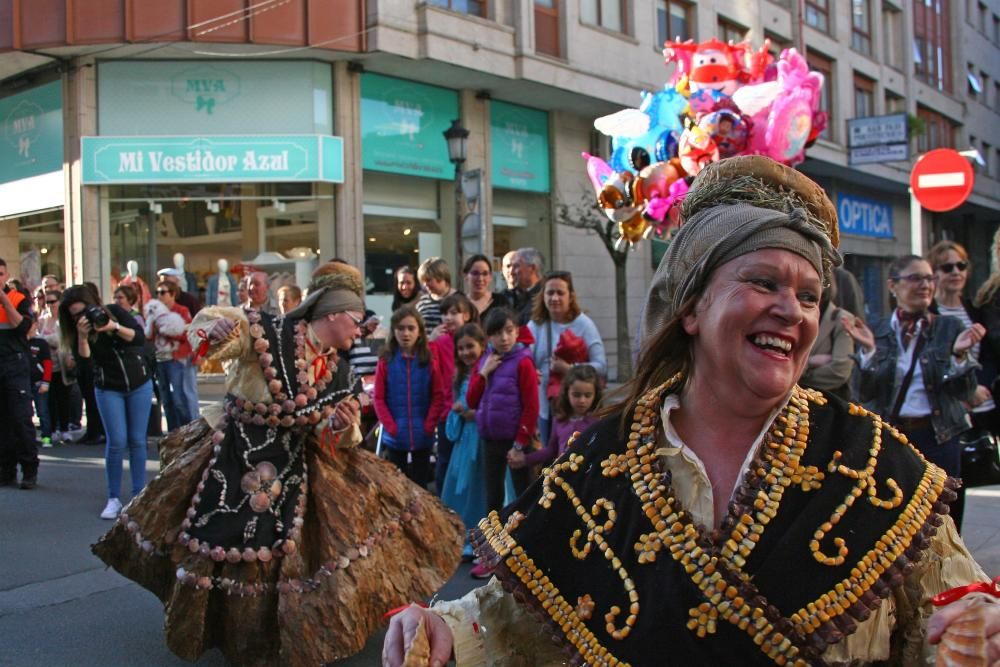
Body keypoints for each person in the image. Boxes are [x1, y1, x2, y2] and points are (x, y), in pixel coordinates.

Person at [383, 156, 1000, 666]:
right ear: (692, 308)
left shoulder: (872, 463)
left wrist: (975, 631)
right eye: (764, 283)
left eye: (810, 296)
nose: (793, 311)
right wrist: (439, 632)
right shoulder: (604, 461)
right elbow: (511, 623)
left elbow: (946, 613)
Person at [93, 261, 463, 666]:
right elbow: (218, 323)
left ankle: (279, 635)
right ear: (334, 313)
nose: (360, 331)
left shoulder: (341, 372)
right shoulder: (268, 332)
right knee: (227, 544)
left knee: (296, 554)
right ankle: (233, 635)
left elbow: (345, 438)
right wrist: (212, 329)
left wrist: (343, 424)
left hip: (300, 463)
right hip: (235, 456)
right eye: (357, 321)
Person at [844, 254, 982, 531]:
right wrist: (869, 352)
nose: (925, 285)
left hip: (939, 436)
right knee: (894, 520)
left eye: (930, 278)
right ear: (893, 285)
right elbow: (862, 391)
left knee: (943, 521)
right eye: (916, 278)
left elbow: (965, 392)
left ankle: (944, 574)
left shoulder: (948, 327)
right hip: (894, 436)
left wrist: (959, 356)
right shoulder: (877, 328)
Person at [60, 285, 152, 518]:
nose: (82, 318)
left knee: (137, 441)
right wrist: (83, 336)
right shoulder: (76, 331)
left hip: (138, 383)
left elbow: (138, 338)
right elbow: (85, 365)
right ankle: (113, 498)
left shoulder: (113, 312)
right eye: (75, 314)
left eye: (84, 311)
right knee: (117, 440)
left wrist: (113, 326)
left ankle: (138, 495)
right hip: (108, 388)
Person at [464, 306, 538, 579]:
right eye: (497, 333)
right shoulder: (487, 360)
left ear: (517, 332)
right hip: (490, 438)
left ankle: (525, 552)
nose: (504, 338)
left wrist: (520, 442)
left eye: (509, 331)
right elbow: (471, 401)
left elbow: (531, 405)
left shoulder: (523, 362)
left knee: (523, 498)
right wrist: (483, 373)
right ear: (488, 337)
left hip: (516, 440)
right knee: (492, 498)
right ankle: (493, 555)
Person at [527, 270, 607, 445]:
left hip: (577, 410)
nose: (555, 298)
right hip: (545, 407)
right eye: (550, 293)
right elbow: (523, 358)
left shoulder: (584, 324)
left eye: (560, 293)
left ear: (570, 296)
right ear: (543, 296)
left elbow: (601, 365)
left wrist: (570, 370)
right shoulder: (535, 326)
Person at [373, 305, 449, 487]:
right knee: (397, 485)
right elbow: (378, 398)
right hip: (395, 435)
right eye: (400, 328)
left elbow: (438, 396)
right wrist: (390, 426)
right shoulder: (386, 361)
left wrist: (429, 425)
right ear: (393, 331)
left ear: (420, 332)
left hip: (422, 434)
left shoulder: (428, 361)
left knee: (420, 483)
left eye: (411, 328)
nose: (406, 333)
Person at [928, 240, 998, 438]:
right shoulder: (929, 314)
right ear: (934, 273)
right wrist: (965, 393)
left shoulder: (975, 310)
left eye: (961, 265)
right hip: (947, 411)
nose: (956, 272)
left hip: (984, 406)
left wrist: (978, 388)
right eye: (947, 267)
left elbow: (988, 356)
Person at [440, 323, 490, 558]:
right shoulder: (460, 375)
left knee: (480, 489)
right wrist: (458, 411)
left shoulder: (488, 371)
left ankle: (480, 537)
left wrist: (475, 414)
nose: (466, 352)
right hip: (465, 442)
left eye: (470, 346)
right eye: (461, 348)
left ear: (482, 345)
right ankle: (463, 534)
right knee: (463, 489)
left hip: (483, 439)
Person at [509, 363, 602, 472]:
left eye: (587, 395)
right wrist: (525, 459)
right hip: (562, 475)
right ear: (567, 393)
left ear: (595, 395)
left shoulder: (598, 421)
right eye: (576, 395)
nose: (582, 400)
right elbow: (551, 450)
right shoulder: (560, 419)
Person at [430, 292, 477, 493]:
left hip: (471, 411)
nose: (448, 318)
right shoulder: (440, 342)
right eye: (444, 313)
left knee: (468, 462)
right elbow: (433, 372)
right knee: (446, 460)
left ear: (465, 315)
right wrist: (430, 341)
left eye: (453, 313)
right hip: (447, 412)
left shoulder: (475, 339)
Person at [0, 258, 39, 489]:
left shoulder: (18, 298)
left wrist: (5, 302)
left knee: (21, 418)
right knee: (2, 422)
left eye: (0, 273)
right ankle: (6, 470)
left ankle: (29, 470)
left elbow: (24, 328)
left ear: (6, 275)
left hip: (15, 365)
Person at [148, 281, 197, 432]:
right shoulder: (154, 311)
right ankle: (173, 433)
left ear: (173, 294)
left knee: (180, 399)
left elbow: (188, 333)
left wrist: (166, 331)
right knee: (166, 400)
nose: (159, 296)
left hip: (177, 358)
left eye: (163, 292)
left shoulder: (181, 310)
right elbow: (148, 336)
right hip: (159, 359)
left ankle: (188, 431)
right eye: (157, 292)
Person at [798, 281, 855, 400]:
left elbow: (840, 370)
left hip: (828, 401)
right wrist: (810, 362)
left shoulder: (842, 319)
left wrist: (800, 377)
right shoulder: (795, 316)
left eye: (808, 296)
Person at [27, 320, 53, 447]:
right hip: (24, 382)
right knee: (26, 412)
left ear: (36, 324)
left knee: (42, 411)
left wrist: (46, 382)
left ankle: (46, 437)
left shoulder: (41, 343)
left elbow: (47, 364)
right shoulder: (19, 341)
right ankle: (28, 438)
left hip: (39, 382)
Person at [462, 254, 509, 322]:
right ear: (466, 276)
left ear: (490, 277)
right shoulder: (459, 303)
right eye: (475, 273)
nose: (480, 278)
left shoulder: (501, 301)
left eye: (485, 273)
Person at [415, 257, 455, 331]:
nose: (425, 285)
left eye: (428, 280)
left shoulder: (459, 300)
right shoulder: (422, 302)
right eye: (423, 281)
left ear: (441, 277)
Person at [507, 247, 544, 324]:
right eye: (511, 266)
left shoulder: (545, 297)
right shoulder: (507, 296)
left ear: (532, 268)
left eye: (516, 266)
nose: (512, 272)